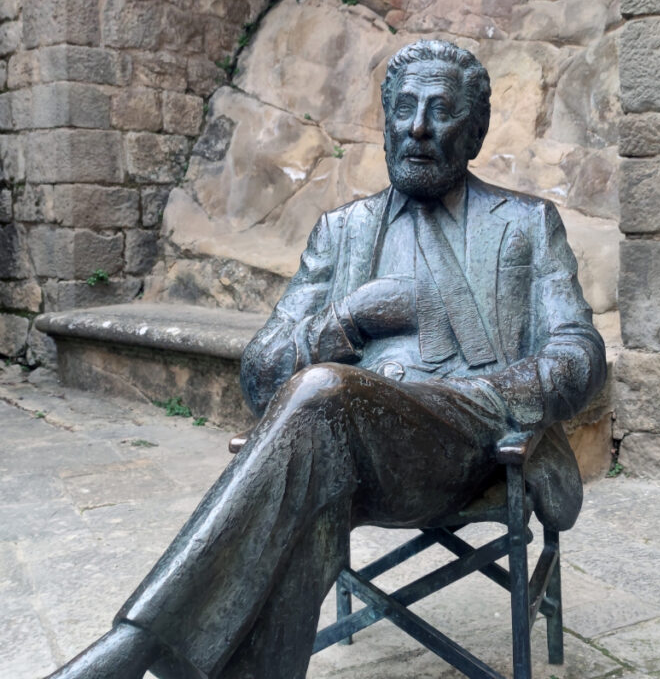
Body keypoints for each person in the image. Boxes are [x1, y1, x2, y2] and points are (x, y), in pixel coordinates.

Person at [48, 39, 606, 679]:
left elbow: (578, 354)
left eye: (441, 111)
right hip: (345, 450)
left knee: (320, 398)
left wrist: (483, 400)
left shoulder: (526, 224)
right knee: (314, 436)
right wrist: (350, 319)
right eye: (403, 108)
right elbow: (261, 373)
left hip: (473, 449)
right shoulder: (342, 232)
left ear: (474, 131)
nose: (418, 127)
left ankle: (134, 648)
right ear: (387, 121)